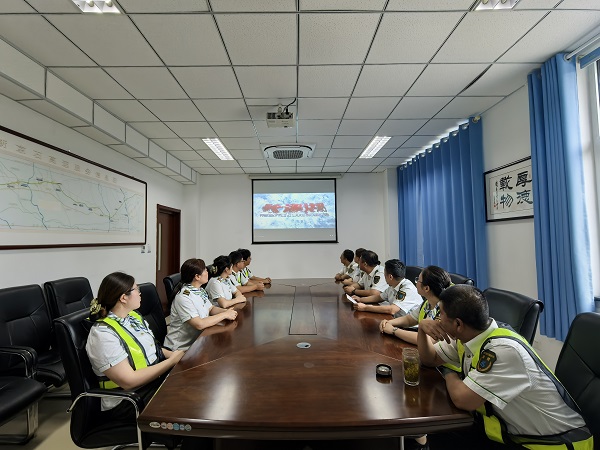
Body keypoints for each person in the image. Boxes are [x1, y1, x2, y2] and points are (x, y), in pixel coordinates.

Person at [418, 285, 593, 450]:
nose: (438, 320)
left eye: (441, 314)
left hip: (553, 443)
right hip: (514, 435)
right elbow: (430, 359)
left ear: (458, 324)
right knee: (441, 432)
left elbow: (463, 400)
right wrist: (422, 330)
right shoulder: (469, 336)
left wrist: (449, 371)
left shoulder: (504, 351)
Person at [85, 272, 185, 448]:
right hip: (128, 401)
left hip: (151, 382)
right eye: (136, 289)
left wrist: (177, 356)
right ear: (123, 297)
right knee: (190, 404)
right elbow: (128, 381)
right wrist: (171, 362)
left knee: (195, 383)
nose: (140, 293)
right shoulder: (103, 334)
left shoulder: (133, 317)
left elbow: (153, 348)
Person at [164, 258, 239, 351]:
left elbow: (211, 308)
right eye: (205, 270)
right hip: (180, 348)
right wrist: (224, 315)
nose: (208, 272)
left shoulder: (199, 290)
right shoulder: (183, 297)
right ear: (197, 277)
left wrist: (227, 312)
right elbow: (199, 324)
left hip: (198, 341)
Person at [379, 265, 451, 345]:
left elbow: (430, 340)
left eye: (418, 280)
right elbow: (409, 320)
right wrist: (389, 322)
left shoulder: (446, 311)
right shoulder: (427, 303)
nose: (415, 283)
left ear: (426, 288)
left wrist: (394, 330)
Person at [353, 259, 422, 316]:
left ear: (390, 277)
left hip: (410, 326)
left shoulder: (407, 288)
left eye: (384, 275)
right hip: (397, 320)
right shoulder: (393, 286)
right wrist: (360, 299)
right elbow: (379, 297)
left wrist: (365, 307)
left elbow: (392, 309)